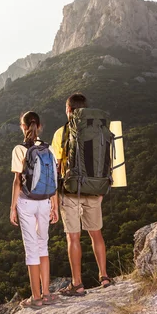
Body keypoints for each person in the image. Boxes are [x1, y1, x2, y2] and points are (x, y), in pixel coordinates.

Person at [51, 93, 114, 296]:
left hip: (70, 191)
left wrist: (54, 198)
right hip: (95, 188)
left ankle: (77, 284)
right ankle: (104, 277)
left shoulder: (62, 132)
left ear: (69, 110)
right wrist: (101, 187)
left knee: (73, 237)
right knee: (96, 234)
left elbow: (57, 166)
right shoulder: (100, 128)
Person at [10, 111, 59, 308]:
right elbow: (54, 177)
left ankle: (36, 298)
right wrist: (55, 205)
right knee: (43, 246)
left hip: (27, 202)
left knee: (31, 250)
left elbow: (17, 182)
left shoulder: (19, 149)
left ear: (23, 126)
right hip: (45, 201)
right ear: (39, 126)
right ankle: (47, 293)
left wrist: (12, 207)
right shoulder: (49, 148)